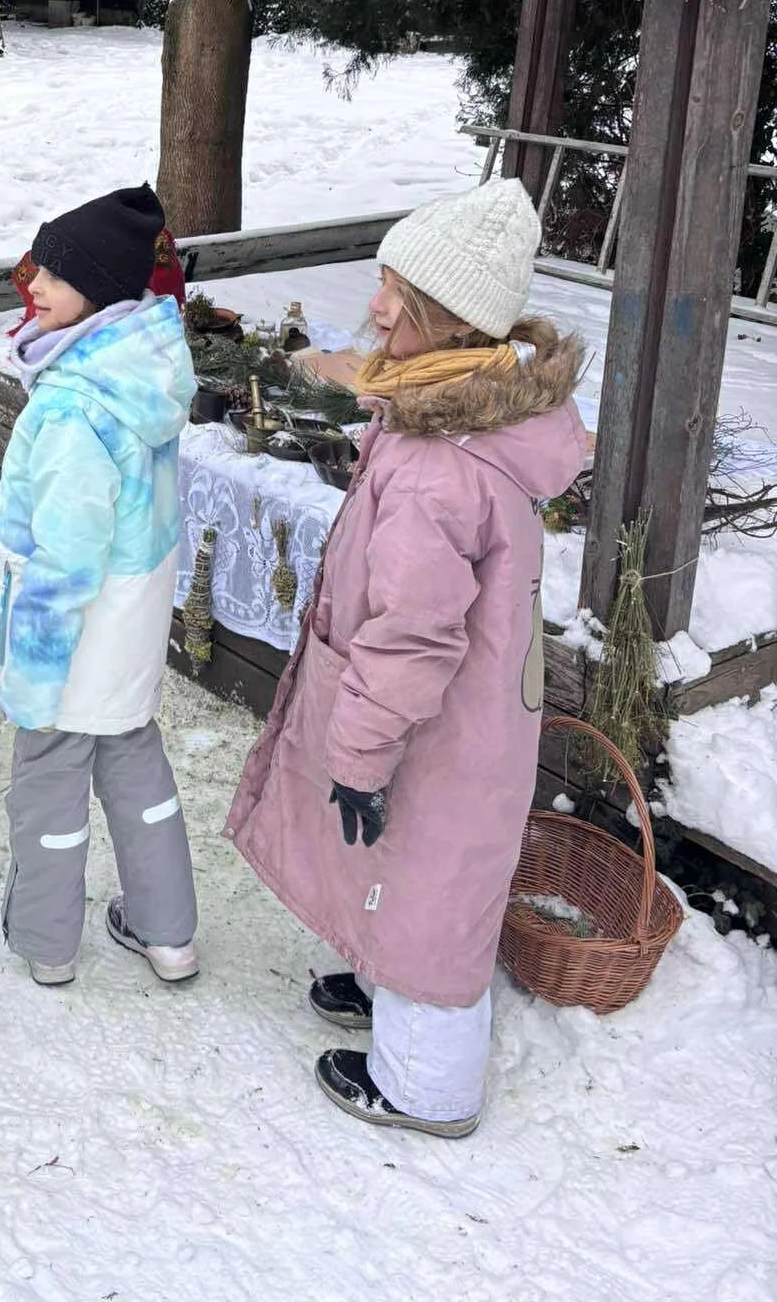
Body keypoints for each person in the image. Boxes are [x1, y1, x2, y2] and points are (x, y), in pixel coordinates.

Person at [226, 178, 588, 1138]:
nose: (377, 307)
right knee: (399, 855)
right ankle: (388, 977)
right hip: (454, 710)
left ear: (452, 320)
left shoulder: (441, 464)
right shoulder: (447, 410)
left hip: (438, 716)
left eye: (400, 293)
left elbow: (413, 631)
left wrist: (357, 755)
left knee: (432, 878)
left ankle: (427, 1085)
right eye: (383, 281)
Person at [0, 184, 201, 988]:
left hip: (71, 638)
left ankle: (46, 941)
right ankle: (167, 931)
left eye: (54, 273)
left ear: (98, 288)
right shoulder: (140, 373)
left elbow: (65, 557)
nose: (32, 284)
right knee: (135, 763)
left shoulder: (77, 407)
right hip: (129, 626)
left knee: (49, 778)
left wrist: (31, 680)